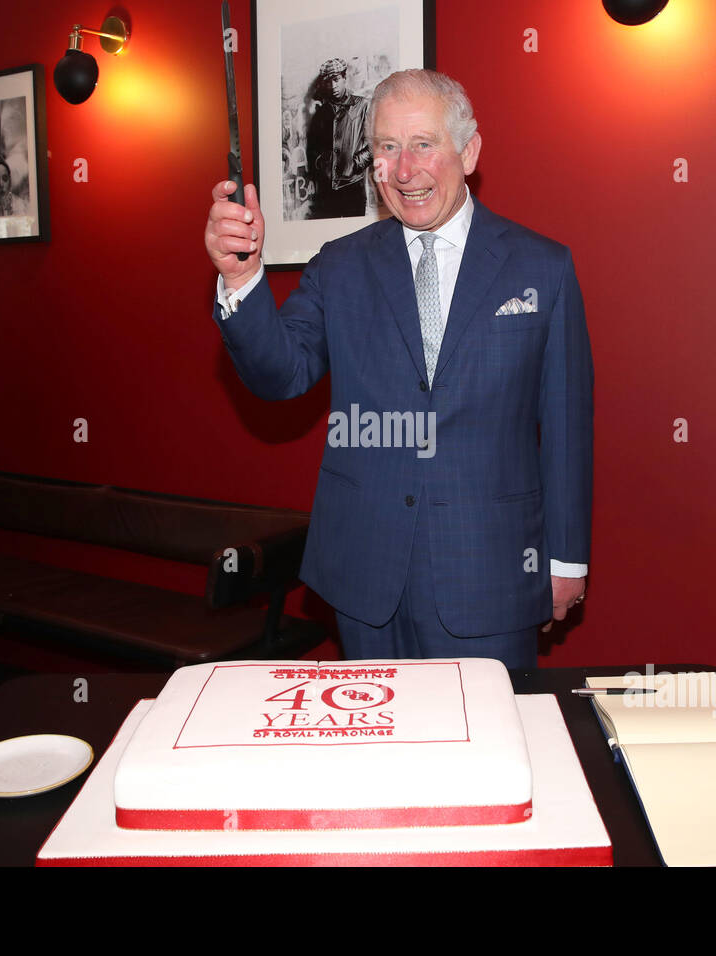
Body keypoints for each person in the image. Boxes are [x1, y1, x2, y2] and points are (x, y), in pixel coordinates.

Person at [204, 69, 593, 668]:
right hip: (366, 576)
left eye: (423, 144)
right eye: (386, 148)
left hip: (491, 572)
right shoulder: (339, 266)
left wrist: (565, 560)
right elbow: (280, 375)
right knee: (375, 750)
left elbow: (566, 427)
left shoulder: (542, 268)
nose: (404, 171)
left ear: (468, 151)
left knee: (485, 754)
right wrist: (240, 281)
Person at [305, 58, 371, 219]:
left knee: (356, 237)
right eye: (329, 82)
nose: (333, 86)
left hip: (353, 186)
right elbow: (312, 149)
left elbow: (376, 143)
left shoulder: (362, 106)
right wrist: (321, 164)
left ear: (344, 78)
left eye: (336, 80)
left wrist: (354, 164)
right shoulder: (321, 113)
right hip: (327, 190)